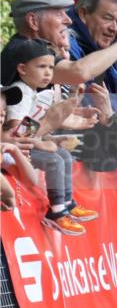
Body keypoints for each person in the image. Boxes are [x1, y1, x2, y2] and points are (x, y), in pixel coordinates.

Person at [2, 39, 99, 234]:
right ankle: (56, 212)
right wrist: (43, 143)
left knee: (63, 155)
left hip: (24, 147)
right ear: (22, 68)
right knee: (55, 160)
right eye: (41, 67)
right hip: (15, 151)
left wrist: (51, 139)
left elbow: (30, 129)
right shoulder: (21, 92)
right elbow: (18, 133)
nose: (48, 72)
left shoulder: (31, 91)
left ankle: (67, 203)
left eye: (51, 67)